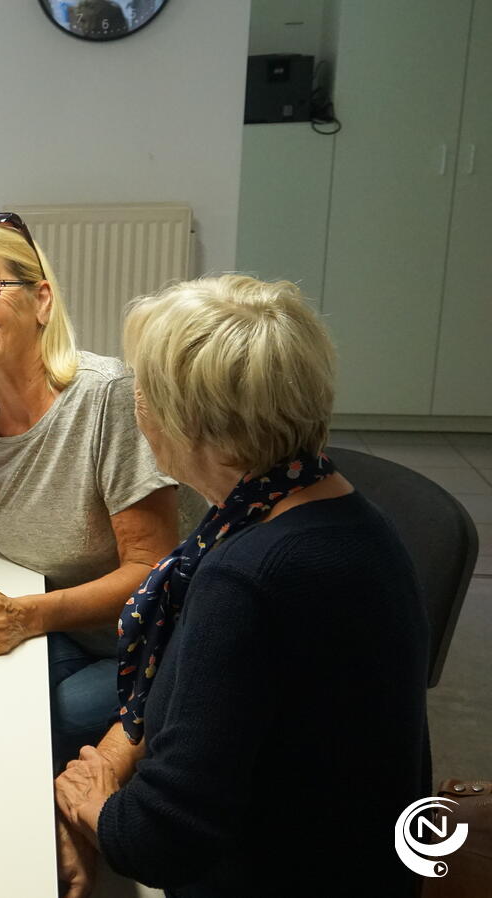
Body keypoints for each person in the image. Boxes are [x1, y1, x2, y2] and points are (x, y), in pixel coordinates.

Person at [53, 275, 429, 896]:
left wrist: (90, 803)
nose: (137, 408)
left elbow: (160, 840)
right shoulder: (337, 513)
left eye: (145, 391)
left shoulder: (248, 577)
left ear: (190, 422)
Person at [0, 214, 188, 770]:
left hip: (151, 643)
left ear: (41, 300)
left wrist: (26, 618)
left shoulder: (107, 397)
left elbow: (153, 570)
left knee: (41, 720)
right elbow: (38, 513)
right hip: (62, 628)